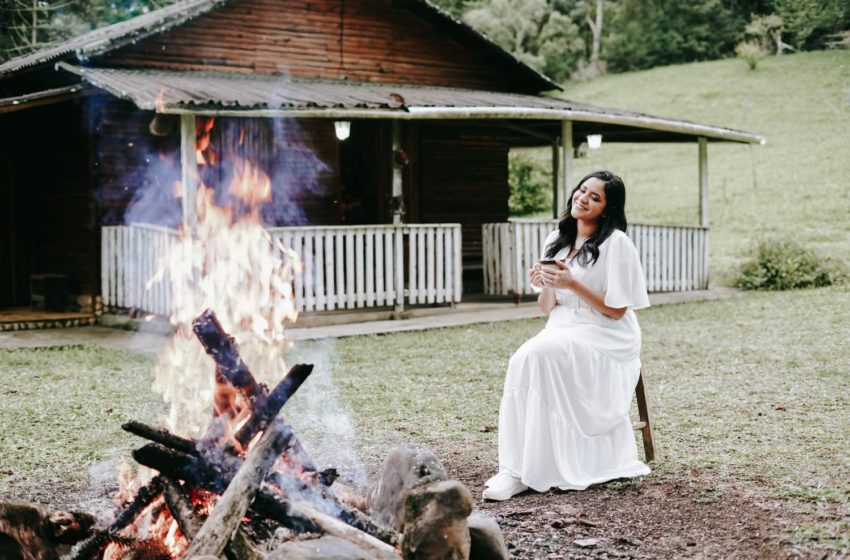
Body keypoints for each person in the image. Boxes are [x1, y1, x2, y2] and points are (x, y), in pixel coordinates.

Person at [483, 170, 651, 501]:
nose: (583, 198)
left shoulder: (616, 244)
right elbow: (547, 307)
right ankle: (515, 468)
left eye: (595, 197)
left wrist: (573, 283)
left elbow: (616, 311)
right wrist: (546, 282)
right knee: (522, 360)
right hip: (561, 327)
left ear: (607, 208)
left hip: (606, 333)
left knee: (540, 355)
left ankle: (542, 468)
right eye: (582, 190)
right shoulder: (555, 240)